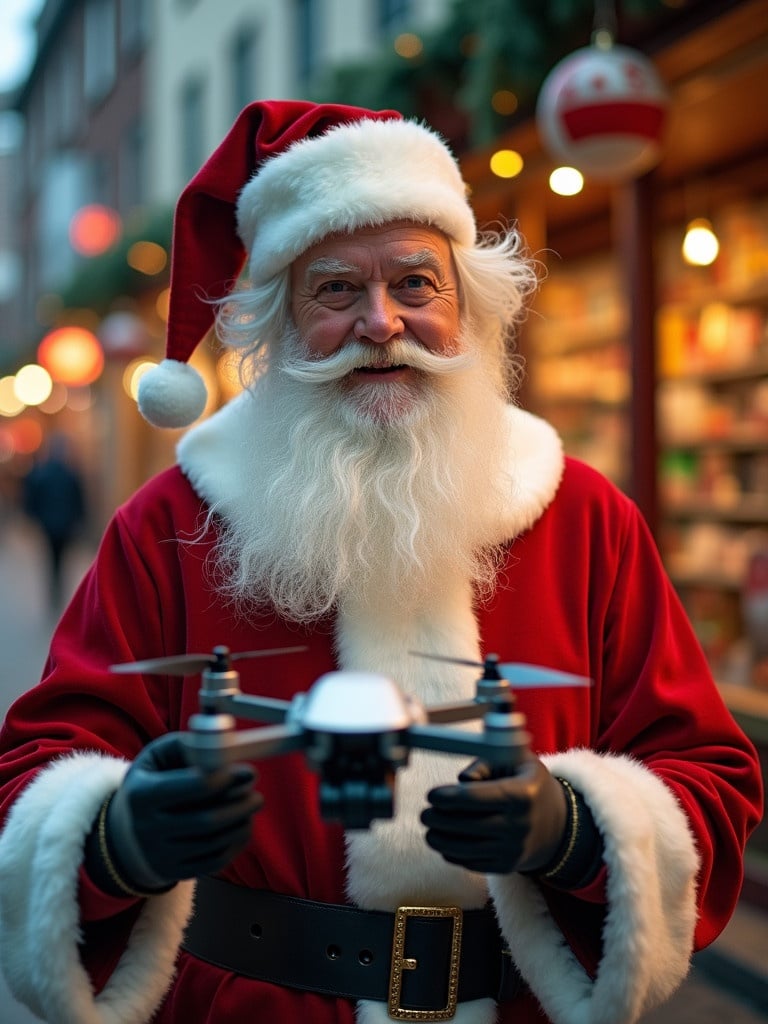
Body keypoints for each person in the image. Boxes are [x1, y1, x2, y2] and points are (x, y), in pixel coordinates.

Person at [0, 100, 761, 1024]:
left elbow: (710, 774)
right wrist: (118, 835)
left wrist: (574, 828)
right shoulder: (168, 522)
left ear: (468, 306)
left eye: (415, 284)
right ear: (276, 324)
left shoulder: (585, 516)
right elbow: (34, 775)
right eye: (333, 291)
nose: (381, 323)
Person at [21, 432, 87, 607]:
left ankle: (54, 589)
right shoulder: (70, 474)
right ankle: (58, 588)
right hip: (65, 524)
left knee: (52, 558)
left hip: (49, 524)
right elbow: (79, 500)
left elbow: (32, 499)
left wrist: (33, 517)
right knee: (61, 558)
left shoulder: (43, 474)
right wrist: (80, 520)